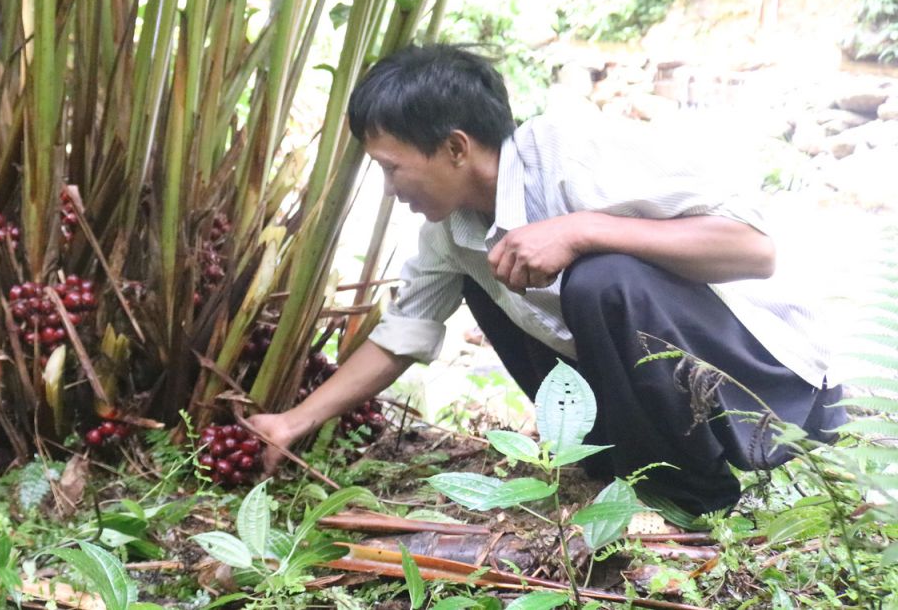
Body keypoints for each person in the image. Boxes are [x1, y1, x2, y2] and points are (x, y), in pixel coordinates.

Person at [248, 45, 841, 516]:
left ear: (455, 147)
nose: (390, 189)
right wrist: (294, 421)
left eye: (391, 167)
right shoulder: (450, 231)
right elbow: (401, 336)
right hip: (678, 391)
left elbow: (754, 251)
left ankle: (697, 493)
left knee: (601, 279)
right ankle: (627, 467)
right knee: (485, 278)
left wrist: (582, 229)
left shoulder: (569, 150)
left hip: (768, 386)